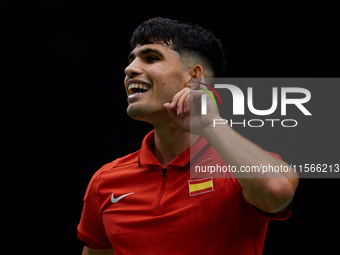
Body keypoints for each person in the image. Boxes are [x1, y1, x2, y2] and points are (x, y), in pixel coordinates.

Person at [77, 17, 299, 255]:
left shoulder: (238, 169)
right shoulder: (105, 182)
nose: (129, 69)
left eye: (151, 58)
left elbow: (277, 192)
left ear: (194, 77)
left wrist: (210, 122)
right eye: (131, 60)